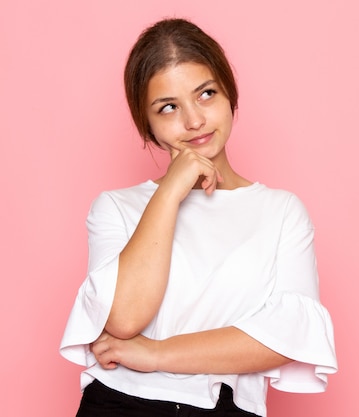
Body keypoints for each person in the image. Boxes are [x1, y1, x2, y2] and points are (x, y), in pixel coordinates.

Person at [60, 18, 337, 417]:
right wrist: (171, 190)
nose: (193, 121)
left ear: (230, 95)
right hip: (119, 404)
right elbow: (123, 318)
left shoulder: (281, 211)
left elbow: (280, 341)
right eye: (168, 107)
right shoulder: (115, 207)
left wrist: (155, 353)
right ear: (147, 124)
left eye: (206, 94)